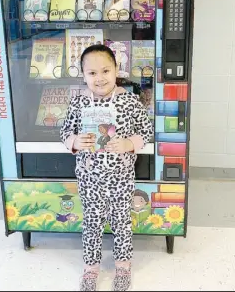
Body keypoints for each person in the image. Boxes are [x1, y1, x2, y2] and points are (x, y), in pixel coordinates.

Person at [60, 44, 153, 291]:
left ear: (116, 70)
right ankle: (91, 269)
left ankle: (123, 266)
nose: (99, 78)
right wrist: (74, 142)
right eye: (92, 73)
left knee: (122, 221)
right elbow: (65, 131)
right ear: (83, 75)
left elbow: (147, 132)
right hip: (89, 178)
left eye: (105, 71)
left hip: (121, 178)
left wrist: (129, 143)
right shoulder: (78, 102)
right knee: (91, 222)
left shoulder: (130, 101)